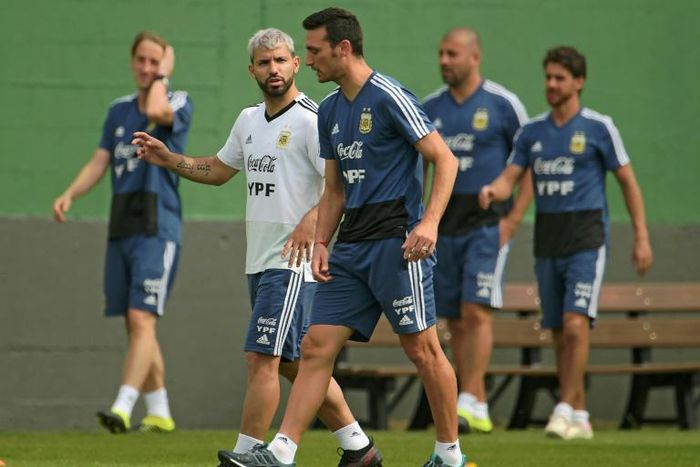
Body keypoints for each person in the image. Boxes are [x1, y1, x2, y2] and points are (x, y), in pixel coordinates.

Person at [223, 8, 469, 467]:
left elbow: (445, 160)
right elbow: (333, 189)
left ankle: (449, 454)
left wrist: (429, 222)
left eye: (313, 51)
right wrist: (321, 242)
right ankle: (281, 452)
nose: (308, 61)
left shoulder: (390, 96)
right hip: (351, 249)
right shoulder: (331, 109)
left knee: (422, 348)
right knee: (314, 347)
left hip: (398, 244)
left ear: (343, 49)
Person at [132, 28, 382, 467]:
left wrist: (310, 223)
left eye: (281, 60)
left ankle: (249, 455)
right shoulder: (248, 120)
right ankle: (357, 445)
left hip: (294, 262)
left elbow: (338, 186)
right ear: (252, 69)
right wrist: (169, 158)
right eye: (264, 63)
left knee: (260, 355)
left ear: (296, 65)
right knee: (292, 363)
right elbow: (217, 169)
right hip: (260, 260)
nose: (273, 69)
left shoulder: (314, 119)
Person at [480, 46, 653, 440]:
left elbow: (627, 180)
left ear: (579, 82)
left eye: (560, 78)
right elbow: (512, 177)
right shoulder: (532, 133)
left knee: (577, 324)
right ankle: (579, 411)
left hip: (586, 237)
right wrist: (494, 189)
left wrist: (641, 235)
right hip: (548, 238)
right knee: (558, 329)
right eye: (548, 78)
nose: (552, 85)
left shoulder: (598, 127)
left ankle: (562, 406)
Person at [52, 31, 193, 434]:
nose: (147, 68)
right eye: (142, 61)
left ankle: (123, 405)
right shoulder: (117, 111)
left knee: (142, 316)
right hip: (122, 223)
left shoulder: (176, 100)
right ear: (132, 62)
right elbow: (99, 161)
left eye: (156, 61)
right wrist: (70, 194)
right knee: (135, 324)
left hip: (157, 223)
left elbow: (157, 110)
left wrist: (163, 78)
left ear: (165, 65)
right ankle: (160, 411)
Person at [423, 27, 532, 434]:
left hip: (487, 224)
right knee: (452, 316)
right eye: (440, 53)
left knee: (476, 309)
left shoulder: (504, 105)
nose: (444, 61)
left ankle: (470, 396)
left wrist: (512, 220)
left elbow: (528, 164)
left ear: (474, 57)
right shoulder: (430, 106)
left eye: (452, 53)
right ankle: (475, 403)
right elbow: (423, 166)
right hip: (443, 226)